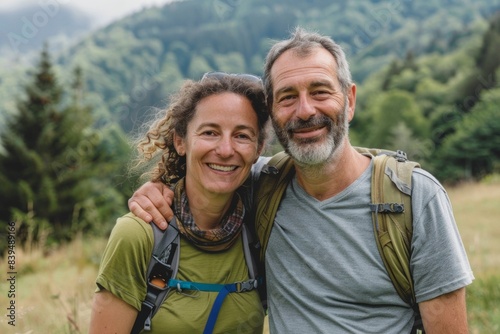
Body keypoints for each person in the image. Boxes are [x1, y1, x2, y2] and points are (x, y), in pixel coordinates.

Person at [128, 27, 474, 333]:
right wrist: (159, 186)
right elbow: (213, 166)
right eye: (288, 97)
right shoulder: (262, 184)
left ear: (349, 100)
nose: (305, 111)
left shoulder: (415, 198)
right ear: (273, 112)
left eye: (321, 92)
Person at [89, 73, 270, 334]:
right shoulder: (140, 236)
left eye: (242, 136)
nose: (226, 149)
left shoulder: (261, 230)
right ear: (180, 141)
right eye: (210, 132)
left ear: (258, 149)